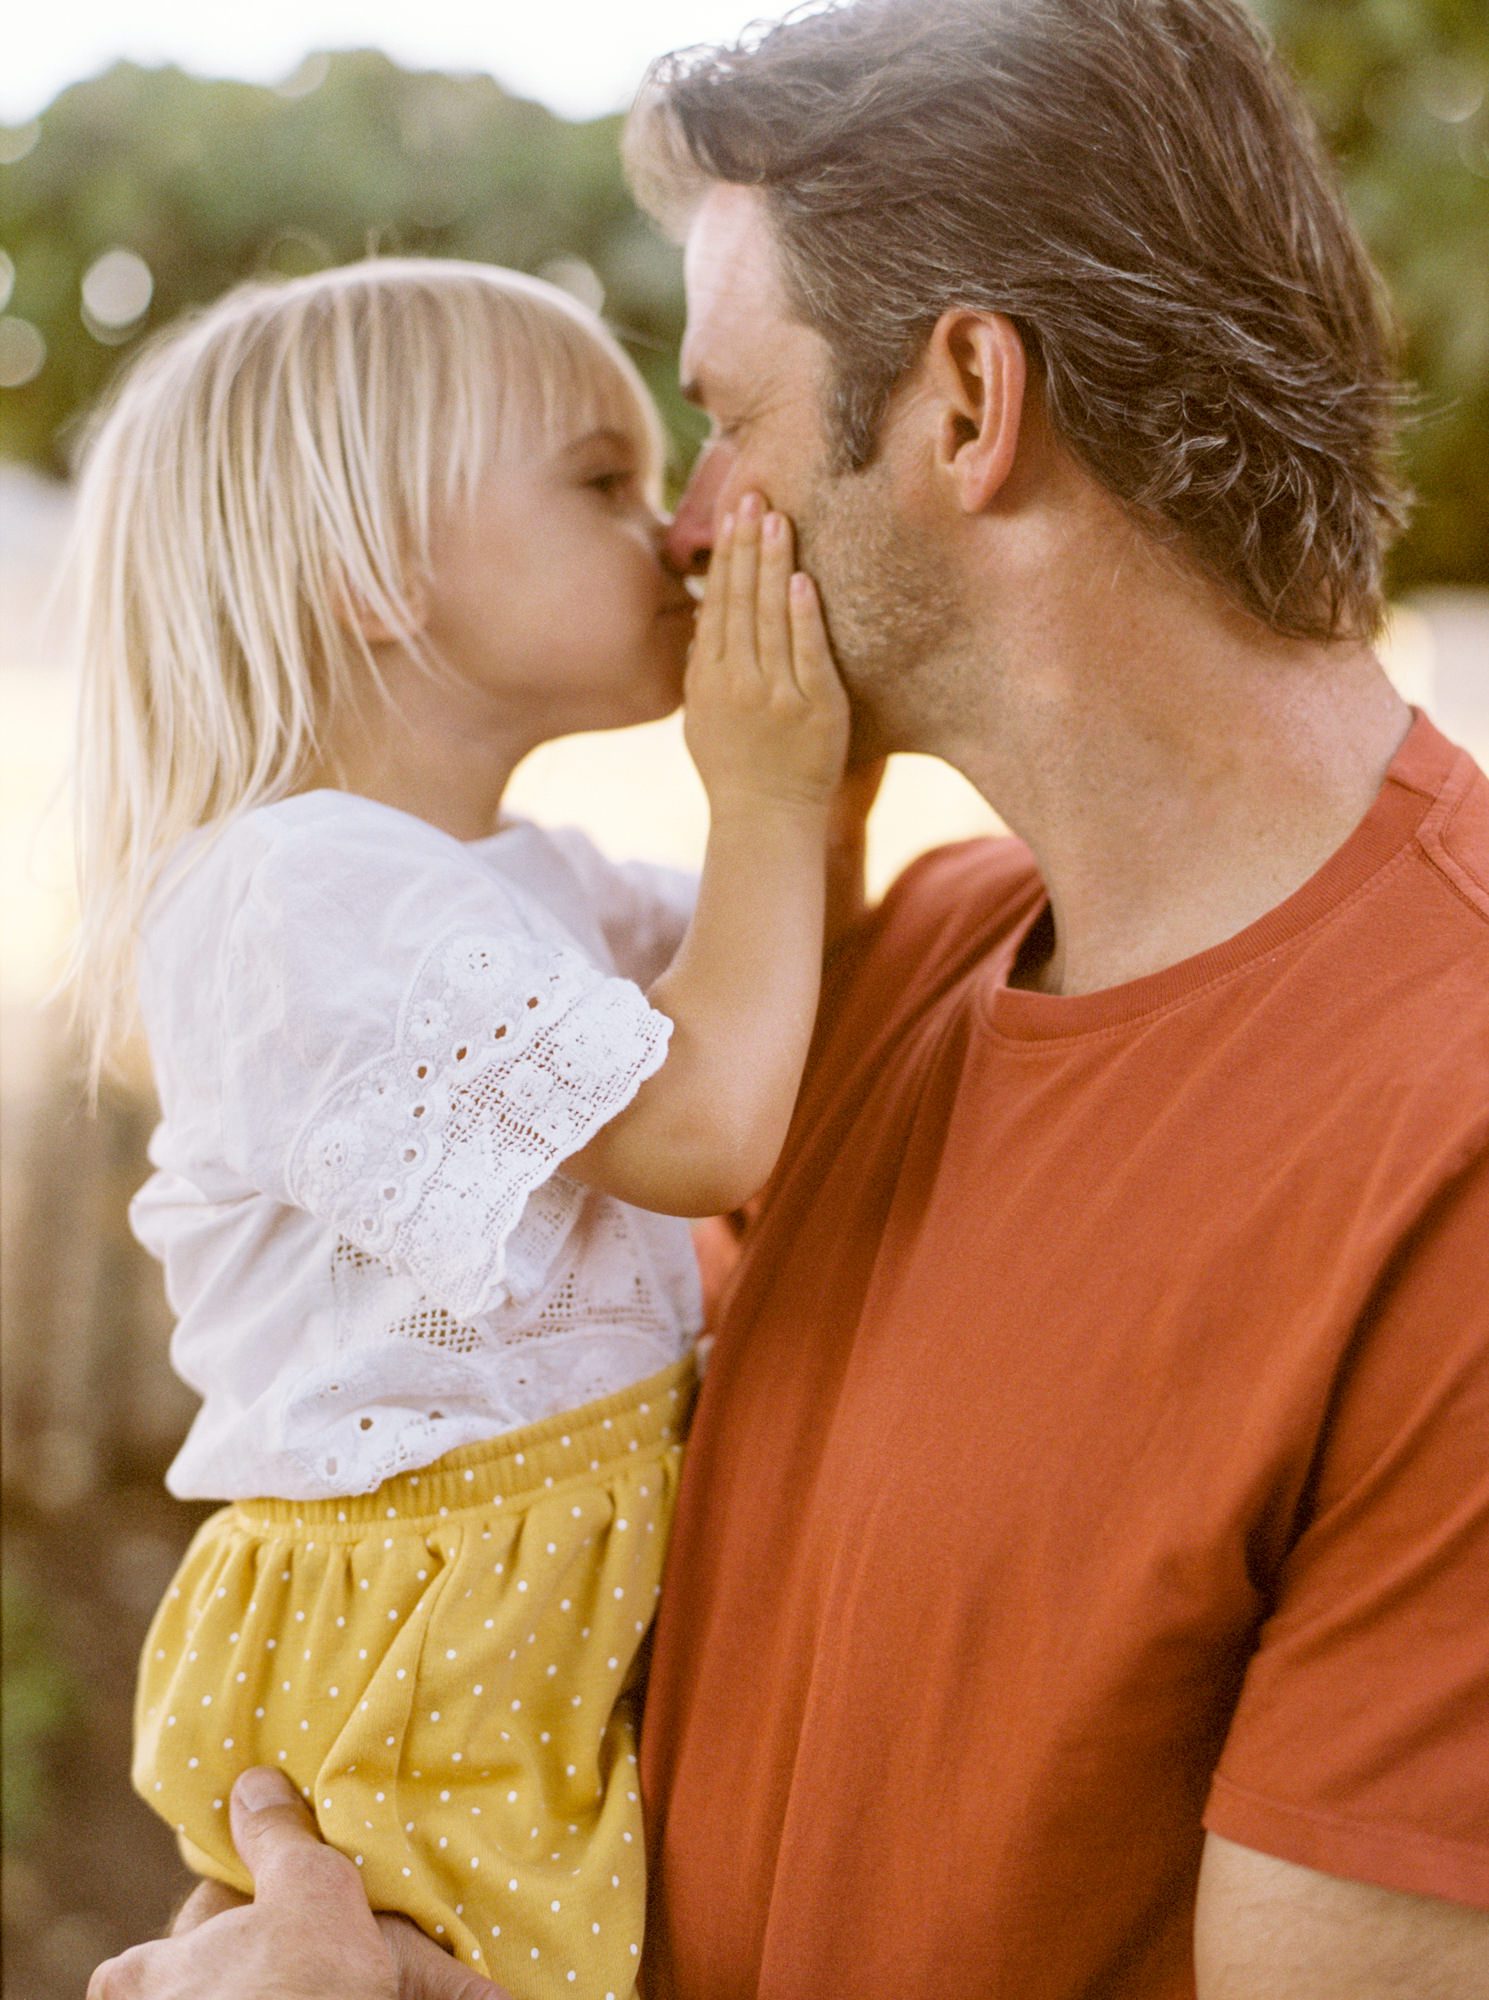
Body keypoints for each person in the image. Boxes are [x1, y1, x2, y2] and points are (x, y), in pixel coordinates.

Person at [90, 2, 1489, 1996]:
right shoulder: (898, 953)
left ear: (961, 409)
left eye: (723, 420)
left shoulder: (1448, 1135)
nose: (686, 523)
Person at [69, 257, 849, 1999]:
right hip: (429, 1616)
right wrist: (777, 785)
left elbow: (794, 978)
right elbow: (710, 1126)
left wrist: (821, 773)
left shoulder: (529, 884)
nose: (673, 533)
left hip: (542, 1569)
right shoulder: (293, 889)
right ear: (366, 571)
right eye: (600, 481)